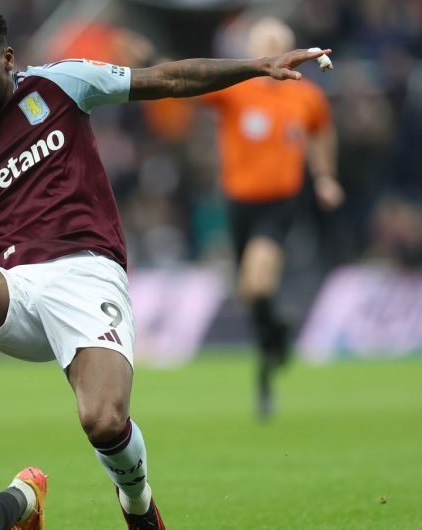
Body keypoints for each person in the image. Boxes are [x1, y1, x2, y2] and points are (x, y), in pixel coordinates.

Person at [0, 6, 332, 528]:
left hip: (88, 276)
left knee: (104, 421)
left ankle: (137, 504)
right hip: (15, 291)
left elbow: (168, 78)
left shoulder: (61, 85)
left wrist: (257, 65)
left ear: (7, 59)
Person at [197, 17, 344, 418]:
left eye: (280, 43)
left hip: (281, 203)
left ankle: (270, 356)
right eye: (266, 44)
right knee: (250, 292)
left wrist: (325, 177)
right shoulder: (236, 90)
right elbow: (192, 85)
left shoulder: (307, 97)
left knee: (258, 282)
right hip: (238, 204)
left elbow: (322, 133)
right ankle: (274, 345)